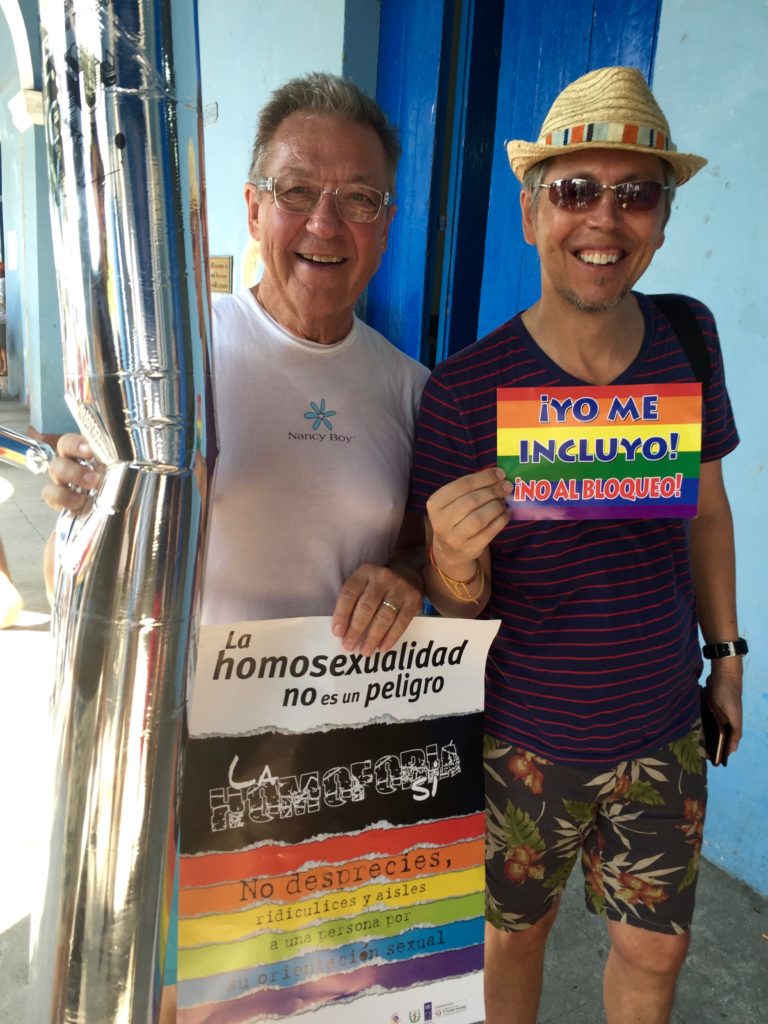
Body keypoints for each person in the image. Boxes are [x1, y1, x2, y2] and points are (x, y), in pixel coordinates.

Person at [42, 72, 429, 1018]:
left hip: (340, 767)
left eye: (360, 199)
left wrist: (410, 576)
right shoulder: (176, 366)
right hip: (184, 756)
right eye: (297, 191)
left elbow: (429, 559)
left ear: (387, 220)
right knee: (183, 995)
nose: (325, 225)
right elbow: (88, 539)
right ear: (253, 207)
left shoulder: (414, 390)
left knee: (323, 996)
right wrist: (77, 491)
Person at [409, 66, 744, 1024]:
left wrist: (727, 658)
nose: (607, 218)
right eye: (575, 190)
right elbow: (457, 608)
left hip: (662, 735)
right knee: (512, 943)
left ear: (664, 220)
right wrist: (455, 557)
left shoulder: (691, 339)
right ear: (530, 212)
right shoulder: (465, 392)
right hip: (522, 744)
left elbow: (709, 514)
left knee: (654, 957)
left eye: (637, 193)